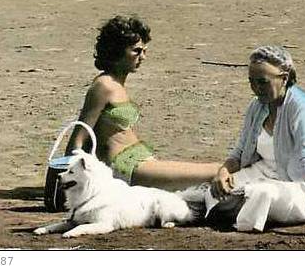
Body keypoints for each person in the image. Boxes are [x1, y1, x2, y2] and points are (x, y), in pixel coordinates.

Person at [66, 15, 221, 189]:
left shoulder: (117, 83)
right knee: (216, 172)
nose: (143, 57)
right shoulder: (103, 86)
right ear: (117, 50)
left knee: (212, 179)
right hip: (124, 166)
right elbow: (79, 139)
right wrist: (60, 186)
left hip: (139, 159)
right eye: (136, 51)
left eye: (144, 51)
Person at [206, 45, 305, 235]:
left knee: (262, 194)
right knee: (215, 190)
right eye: (251, 82)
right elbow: (240, 152)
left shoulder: (301, 109)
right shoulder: (257, 106)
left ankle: (237, 209)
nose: (256, 88)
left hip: (297, 187)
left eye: (263, 82)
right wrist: (222, 172)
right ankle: (237, 207)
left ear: (284, 78)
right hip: (261, 173)